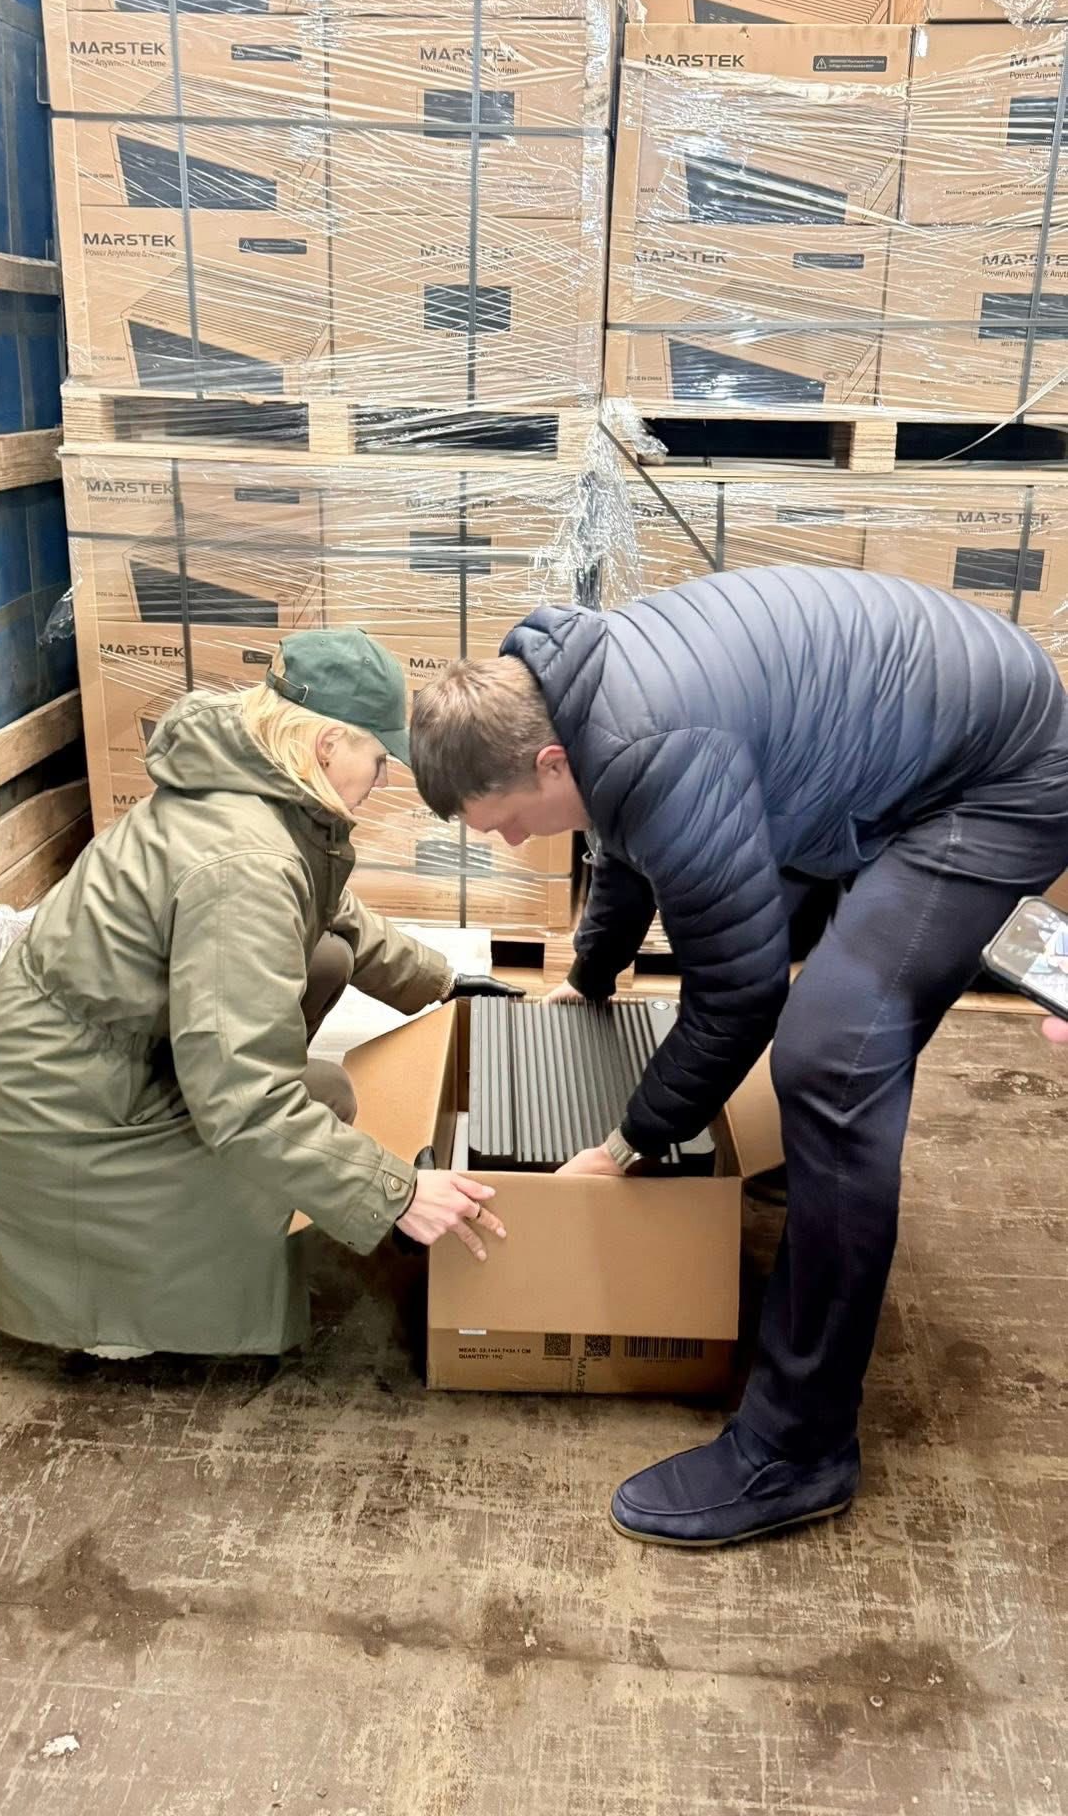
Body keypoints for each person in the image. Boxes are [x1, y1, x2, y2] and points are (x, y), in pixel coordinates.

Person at [408, 564, 1068, 1549]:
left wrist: (633, 1141)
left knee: (826, 1054)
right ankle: (809, 1181)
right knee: (799, 962)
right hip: (883, 747)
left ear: (548, 761)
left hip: (996, 778)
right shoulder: (577, 694)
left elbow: (738, 988)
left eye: (501, 816)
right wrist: (589, 977)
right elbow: (628, 841)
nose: (504, 841)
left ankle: (798, 1448)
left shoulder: (650, 742)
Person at [0, 627, 517, 1361]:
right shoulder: (243, 863)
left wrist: (444, 981)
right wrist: (397, 1195)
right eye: (378, 761)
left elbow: (329, 912)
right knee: (295, 1122)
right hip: (68, 1116)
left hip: (103, 1062)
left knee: (324, 1001)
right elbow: (244, 1099)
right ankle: (111, 1311)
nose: (381, 782)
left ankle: (154, 1246)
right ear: (326, 748)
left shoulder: (255, 790)